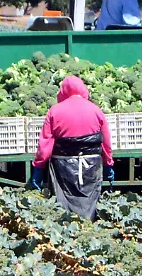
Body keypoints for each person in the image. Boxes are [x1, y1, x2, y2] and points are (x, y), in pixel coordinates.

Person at [31, 76, 115, 220]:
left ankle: (67, 228)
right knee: (89, 201)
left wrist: (38, 168)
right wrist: (108, 164)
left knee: (65, 202)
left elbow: (45, 145)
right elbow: (105, 142)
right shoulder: (96, 110)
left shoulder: (54, 111)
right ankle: (89, 226)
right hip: (91, 165)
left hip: (63, 166)